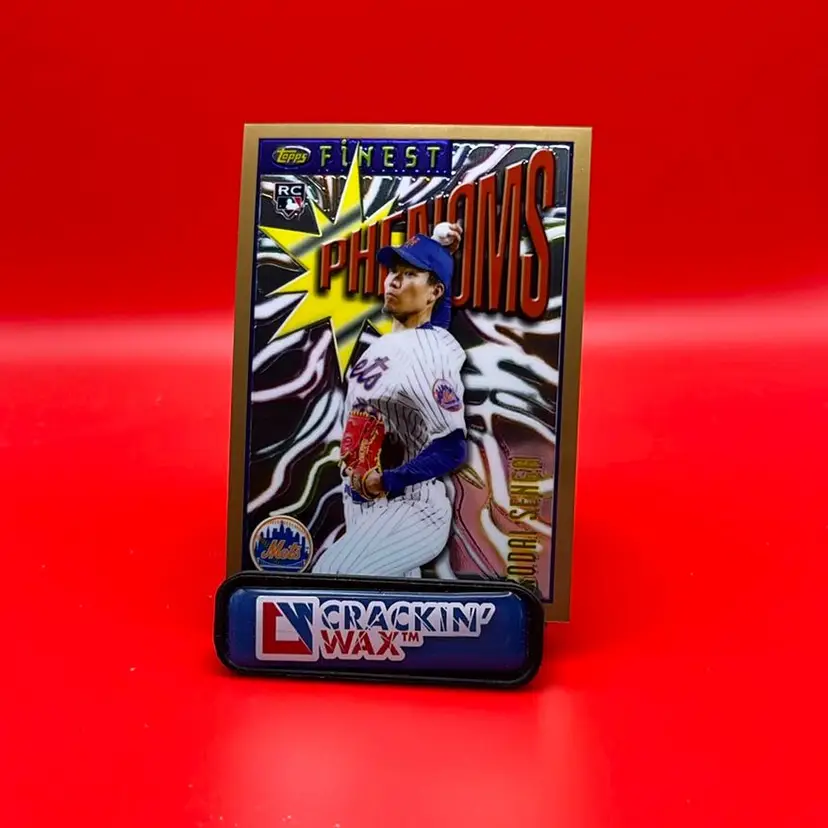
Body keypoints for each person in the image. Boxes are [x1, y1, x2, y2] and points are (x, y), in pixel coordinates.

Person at [311, 223, 467, 578]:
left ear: (434, 292)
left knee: (332, 575)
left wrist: (388, 481)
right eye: (394, 272)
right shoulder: (392, 343)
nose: (394, 281)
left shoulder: (431, 355)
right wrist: (440, 250)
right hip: (366, 508)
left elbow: (452, 447)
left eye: (410, 274)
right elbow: (434, 317)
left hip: (410, 509)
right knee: (389, 603)